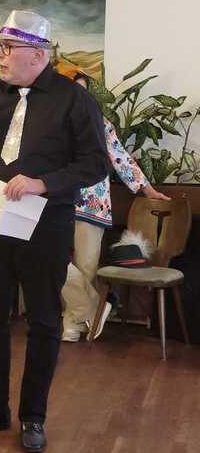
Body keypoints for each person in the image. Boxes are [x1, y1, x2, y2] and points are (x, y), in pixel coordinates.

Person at [0, 10, 109, 453]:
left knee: (42, 319)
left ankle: (33, 416)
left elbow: (96, 163)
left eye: (7, 48)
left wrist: (43, 182)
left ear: (37, 54)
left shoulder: (74, 100)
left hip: (46, 224)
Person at [61, 72, 170, 342]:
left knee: (86, 266)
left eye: (83, 91)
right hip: (56, 201)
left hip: (93, 203)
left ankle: (73, 323)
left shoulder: (101, 123)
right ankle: (95, 305)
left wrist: (148, 189)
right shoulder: (51, 122)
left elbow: (121, 157)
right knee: (51, 260)